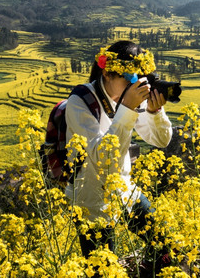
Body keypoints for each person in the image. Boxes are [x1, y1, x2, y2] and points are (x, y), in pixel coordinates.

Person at [64, 40, 173, 276]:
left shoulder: (133, 98)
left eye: (142, 78)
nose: (137, 85)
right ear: (107, 72)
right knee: (103, 271)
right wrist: (127, 108)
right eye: (131, 79)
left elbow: (161, 140)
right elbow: (104, 161)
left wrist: (153, 111)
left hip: (123, 190)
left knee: (167, 245)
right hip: (91, 203)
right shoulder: (80, 102)